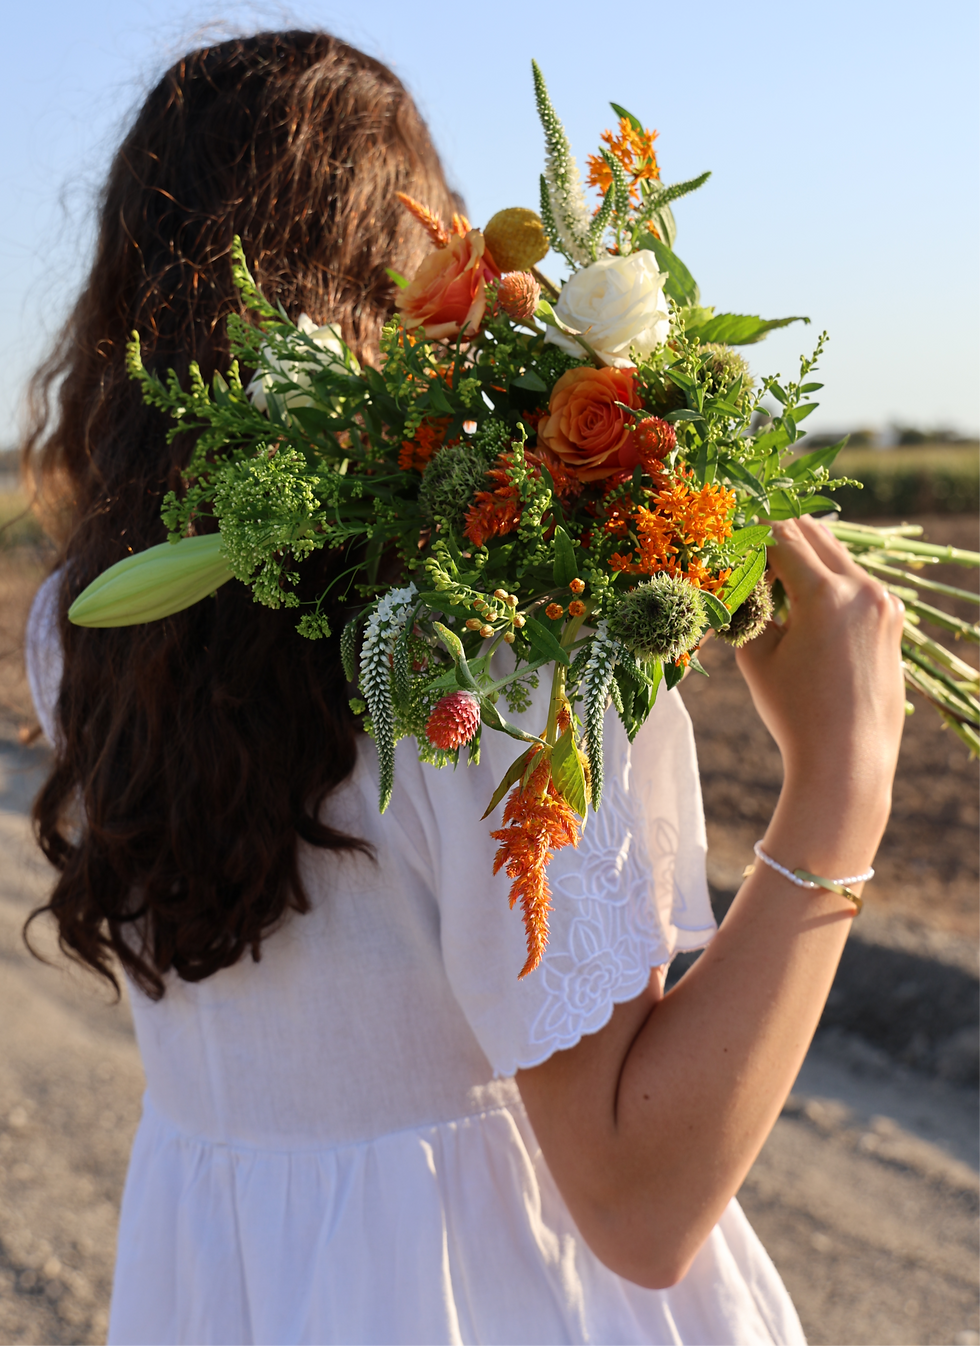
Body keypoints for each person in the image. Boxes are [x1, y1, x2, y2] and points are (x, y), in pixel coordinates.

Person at [21, 29, 906, 1346]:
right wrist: (843, 785)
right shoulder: (479, 637)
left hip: (232, 1292)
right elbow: (638, 1200)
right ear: (413, 274)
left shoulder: (78, 628)